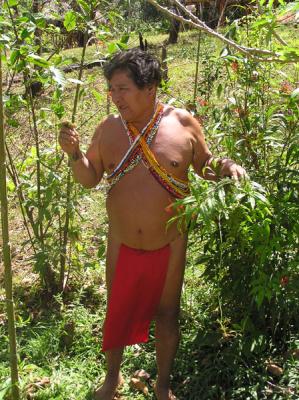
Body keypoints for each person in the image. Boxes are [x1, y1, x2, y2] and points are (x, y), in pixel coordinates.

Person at [59, 48, 246, 400]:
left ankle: (162, 385)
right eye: (111, 89)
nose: (114, 97)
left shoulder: (183, 124)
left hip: (170, 242)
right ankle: (111, 380)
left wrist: (226, 166)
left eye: (122, 88)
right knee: (117, 310)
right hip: (122, 242)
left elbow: (203, 164)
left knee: (167, 314)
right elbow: (89, 178)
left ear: (150, 88)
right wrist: (74, 154)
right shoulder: (109, 130)